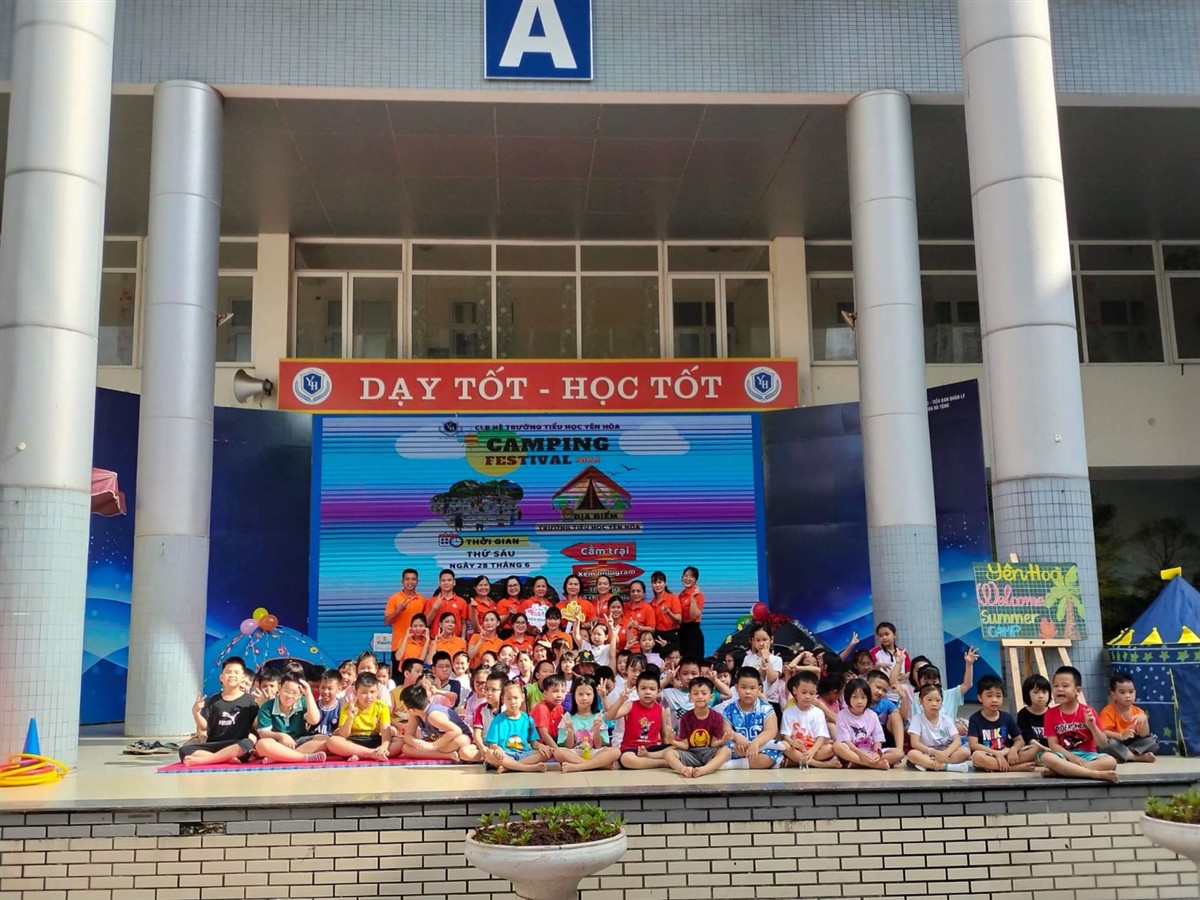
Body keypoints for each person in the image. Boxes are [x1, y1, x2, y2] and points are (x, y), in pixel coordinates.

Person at [1038, 666, 1119, 783]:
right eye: (1055, 686)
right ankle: (1094, 774)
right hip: (1064, 756)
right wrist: (1071, 757)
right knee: (1046, 757)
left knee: (1111, 761)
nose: (1059, 689)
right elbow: (1053, 745)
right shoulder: (1050, 713)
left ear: (1078, 690)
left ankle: (1062, 771)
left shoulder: (1088, 711)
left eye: (1065, 686)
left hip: (1088, 756)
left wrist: (1093, 727)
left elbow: (1103, 744)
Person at [180, 657, 258, 766]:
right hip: (215, 744)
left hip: (236, 745)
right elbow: (204, 727)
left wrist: (262, 705)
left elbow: (257, 726)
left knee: (247, 743)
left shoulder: (250, 700)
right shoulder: (213, 700)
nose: (232, 675)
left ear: (242, 678)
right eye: (228, 672)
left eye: (236, 672)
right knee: (184, 750)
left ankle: (206, 760)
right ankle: (224, 758)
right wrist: (196, 712)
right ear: (221, 677)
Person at [664, 676, 731, 778]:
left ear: (711, 697)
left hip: (709, 752)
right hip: (691, 753)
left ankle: (704, 770)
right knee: (668, 753)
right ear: (690, 697)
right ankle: (684, 770)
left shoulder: (716, 717)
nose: (700, 697)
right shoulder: (686, 717)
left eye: (704, 693)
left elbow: (713, 743)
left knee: (726, 751)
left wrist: (723, 741)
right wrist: (672, 741)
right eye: (695, 693)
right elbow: (685, 745)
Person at [717, 667, 783, 769]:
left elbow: (771, 730)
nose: (748, 692)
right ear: (736, 688)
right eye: (743, 687)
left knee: (772, 755)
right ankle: (743, 761)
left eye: (752, 688)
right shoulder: (729, 709)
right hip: (738, 747)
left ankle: (732, 765)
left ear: (759, 689)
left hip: (760, 747)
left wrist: (756, 743)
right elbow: (726, 730)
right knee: (724, 750)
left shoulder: (766, 708)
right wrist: (736, 737)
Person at [968, 675, 1037, 772]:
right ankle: (1014, 768)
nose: (994, 700)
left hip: (1006, 753)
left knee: (1035, 749)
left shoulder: (1007, 717)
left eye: (998, 696)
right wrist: (996, 754)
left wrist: (1013, 749)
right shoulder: (975, 719)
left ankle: (996, 766)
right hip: (988, 754)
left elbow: (1020, 740)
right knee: (977, 757)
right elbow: (973, 745)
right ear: (980, 697)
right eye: (989, 696)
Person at [607, 669, 673, 770]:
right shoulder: (630, 705)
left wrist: (668, 746)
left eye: (652, 689)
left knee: (674, 749)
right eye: (643, 688)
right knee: (626, 759)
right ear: (637, 691)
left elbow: (664, 737)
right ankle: (663, 763)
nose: (647, 692)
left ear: (658, 691)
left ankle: (650, 759)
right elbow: (609, 716)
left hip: (652, 749)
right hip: (631, 749)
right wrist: (621, 700)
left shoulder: (661, 709)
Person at [254, 674, 327, 763]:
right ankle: (303, 758)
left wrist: (308, 694)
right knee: (261, 744)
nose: (289, 696)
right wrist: (282, 736)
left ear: (300, 694)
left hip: (299, 741)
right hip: (278, 743)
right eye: (286, 691)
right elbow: (263, 734)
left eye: (295, 693)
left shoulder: (302, 701)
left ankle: (279, 757)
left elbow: (314, 720)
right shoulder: (267, 706)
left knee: (325, 739)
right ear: (279, 688)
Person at [325, 672, 397, 762]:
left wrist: (384, 747)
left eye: (372, 692)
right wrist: (350, 717)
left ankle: (364, 755)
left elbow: (386, 733)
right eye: (364, 693)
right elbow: (343, 735)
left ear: (377, 692)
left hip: (375, 739)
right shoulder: (347, 707)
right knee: (332, 741)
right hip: (354, 741)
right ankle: (371, 754)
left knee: (399, 742)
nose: (369, 696)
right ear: (356, 692)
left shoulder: (382, 707)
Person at [554, 677, 621, 773]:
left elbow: (598, 746)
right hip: (576, 753)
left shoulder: (598, 716)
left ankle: (579, 766)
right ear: (574, 695)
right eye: (580, 694)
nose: (584, 698)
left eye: (588, 694)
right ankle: (596, 765)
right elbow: (569, 746)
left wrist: (596, 730)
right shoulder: (567, 717)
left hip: (594, 753)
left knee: (616, 751)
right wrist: (570, 732)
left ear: (594, 696)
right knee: (558, 752)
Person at [483, 681, 553, 773]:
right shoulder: (497, 721)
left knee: (546, 753)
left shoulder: (527, 719)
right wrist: (497, 748)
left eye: (515, 698)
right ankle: (527, 768)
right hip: (506, 755)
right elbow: (493, 744)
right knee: (489, 754)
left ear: (522, 697)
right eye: (508, 699)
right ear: (503, 699)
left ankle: (509, 767)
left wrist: (541, 746)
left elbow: (533, 743)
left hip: (523, 754)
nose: (512, 702)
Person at [398, 684, 479, 762]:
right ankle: (448, 755)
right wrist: (416, 742)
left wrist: (433, 746)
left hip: (454, 741)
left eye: (404, 706)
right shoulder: (414, 714)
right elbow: (408, 735)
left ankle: (442, 752)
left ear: (412, 709)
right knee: (406, 748)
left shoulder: (433, 715)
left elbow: (457, 731)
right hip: (439, 743)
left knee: (461, 740)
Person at [780, 671, 839, 769]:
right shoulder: (788, 712)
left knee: (830, 748)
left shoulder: (818, 712)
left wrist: (812, 751)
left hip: (814, 749)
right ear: (795, 690)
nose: (807, 696)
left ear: (816, 693)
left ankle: (796, 761)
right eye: (804, 692)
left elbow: (821, 737)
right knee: (784, 745)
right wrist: (792, 742)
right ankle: (820, 764)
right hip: (797, 748)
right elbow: (785, 736)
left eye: (811, 693)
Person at [906, 685, 970, 772]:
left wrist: (944, 754)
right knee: (912, 754)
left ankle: (927, 765)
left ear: (942, 702)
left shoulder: (947, 719)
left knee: (965, 752)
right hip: (926, 752)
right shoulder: (917, 719)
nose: (934, 704)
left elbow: (957, 741)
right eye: (929, 700)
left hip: (944, 752)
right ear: (921, 701)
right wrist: (935, 753)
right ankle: (947, 767)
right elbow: (915, 743)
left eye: (938, 700)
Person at [1099, 673, 1159, 763]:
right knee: (1109, 744)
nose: (1128, 696)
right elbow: (1104, 732)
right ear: (1113, 695)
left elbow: (1144, 734)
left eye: (1131, 692)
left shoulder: (1138, 711)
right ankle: (1137, 757)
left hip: (1132, 743)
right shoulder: (1107, 711)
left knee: (1153, 740)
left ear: (1135, 692)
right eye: (1122, 692)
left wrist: (1144, 719)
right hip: (1117, 741)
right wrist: (1120, 736)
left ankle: (1123, 755)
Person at [832, 677, 889, 770]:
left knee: (898, 753)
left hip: (870, 752)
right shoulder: (842, 715)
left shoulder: (872, 715)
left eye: (863, 697)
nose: (859, 701)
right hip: (852, 752)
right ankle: (872, 764)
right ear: (848, 697)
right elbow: (846, 742)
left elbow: (878, 739)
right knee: (837, 746)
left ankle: (858, 763)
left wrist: (876, 753)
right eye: (855, 697)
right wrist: (861, 754)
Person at [384, 568, 425, 670]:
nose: (410, 582)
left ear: (417, 581)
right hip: (398, 646)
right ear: (402, 581)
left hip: (417, 646)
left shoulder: (423, 600)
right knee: (398, 678)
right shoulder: (394, 598)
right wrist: (399, 610)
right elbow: (387, 621)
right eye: (407, 579)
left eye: (413, 579)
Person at [865, 669, 906, 765]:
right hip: (863, 739)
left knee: (895, 715)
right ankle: (872, 762)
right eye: (878, 687)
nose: (880, 692)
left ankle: (899, 749)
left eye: (884, 690)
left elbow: (903, 718)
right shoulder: (860, 701)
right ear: (867, 684)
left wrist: (903, 697)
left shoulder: (886, 703)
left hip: (883, 741)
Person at [743, 625, 785, 708]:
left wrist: (766, 658)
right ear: (753, 641)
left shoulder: (777, 659)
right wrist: (762, 666)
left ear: (771, 639)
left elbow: (771, 679)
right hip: (751, 700)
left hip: (771, 701)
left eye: (765, 639)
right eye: (758, 640)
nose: (761, 643)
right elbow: (748, 678)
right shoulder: (748, 658)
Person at [471, 669, 507, 758]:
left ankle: (494, 758)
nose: (489, 693)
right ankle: (491, 758)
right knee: (464, 751)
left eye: (493, 690)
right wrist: (482, 747)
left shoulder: (508, 708)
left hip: (505, 745)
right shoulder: (481, 708)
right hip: (486, 744)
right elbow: (477, 734)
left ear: (503, 691)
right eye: (487, 689)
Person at [425, 568, 468, 637]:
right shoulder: (431, 601)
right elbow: (426, 623)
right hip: (436, 640)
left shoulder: (462, 602)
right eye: (443, 580)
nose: (446, 583)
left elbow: (464, 623)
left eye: (449, 580)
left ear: (454, 582)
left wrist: (463, 639)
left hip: (455, 640)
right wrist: (434, 608)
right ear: (439, 583)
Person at [531, 674, 569, 749]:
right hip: (538, 744)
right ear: (545, 693)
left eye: (563, 691)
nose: (559, 695)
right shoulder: (541, 708)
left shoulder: (559, 708)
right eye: (555, 691)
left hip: (552, 740)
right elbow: (544, 734)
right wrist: (557, 750)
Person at [1017, 673, 1052, 749]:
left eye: (1044, 692)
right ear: (1027, 694)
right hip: (1031, 749)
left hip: (1051, 749)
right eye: (1036, 692)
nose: (1041, 696)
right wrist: (1045, 749)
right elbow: (1029, 738)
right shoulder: (1022, 714)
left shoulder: (1053, 713)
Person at [678, 566, 705, 661]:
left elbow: (694, 616)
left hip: (693, 631)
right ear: (682, 578)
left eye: (691, 576)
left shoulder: (698, 594)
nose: (688, 578)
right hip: (682, 630)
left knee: (694, 661)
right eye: (685, 576)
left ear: (696, 580)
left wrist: (693, 598)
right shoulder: (680, 595)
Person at [650, 570, 682, 650]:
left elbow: (679, 620)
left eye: (660, 582)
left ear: (665, 583)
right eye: (654, 583)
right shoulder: (651, 604)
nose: (657, 585)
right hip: (658, 636)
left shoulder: (673, 598)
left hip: (672, 634)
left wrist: (669, 613)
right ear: (652, 585)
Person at [312, 668, 345, 736]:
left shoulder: (341, 708)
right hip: (313, 738)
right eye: (323, 687)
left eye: (330, 689)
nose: (325, 691)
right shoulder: (314, 706)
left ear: (339, 688)